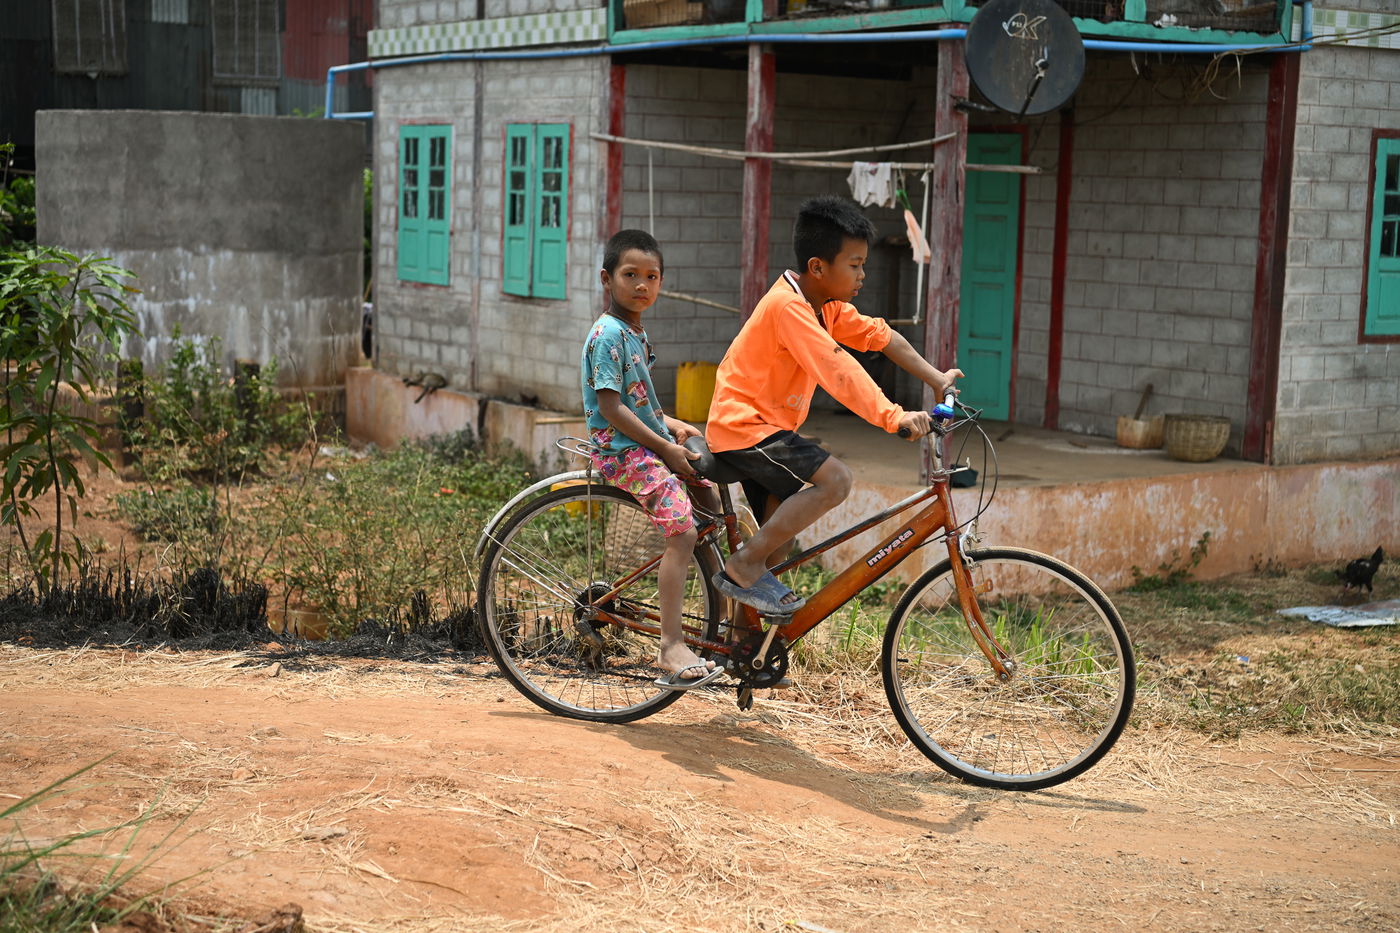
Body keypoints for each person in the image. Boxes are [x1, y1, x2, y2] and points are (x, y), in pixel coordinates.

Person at [704, 195, 964, 614]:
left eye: (863, 263)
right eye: (855, 264)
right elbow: (838, 369)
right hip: (746, 427)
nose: (863, 273)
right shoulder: (790, 308)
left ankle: (744, 649)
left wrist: (936, 379)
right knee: (836, 481)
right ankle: (743, 563)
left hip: (769, 429)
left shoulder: (824, 307)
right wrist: (894, 416)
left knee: (779, 548)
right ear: (818, 267)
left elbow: (882, 336)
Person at [581, 229, 726, 690]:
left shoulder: (635, 332)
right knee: (683, 534)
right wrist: (665, 446)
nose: (641, 285)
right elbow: (611, 407)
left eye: (651, 276)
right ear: (607, 279)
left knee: (712, 504)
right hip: (623, 452)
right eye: (630, 275)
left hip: (646, 443)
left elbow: (639, 400)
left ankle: (729, 634)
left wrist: (674, 424)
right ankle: (670, 644)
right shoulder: (607, 334)